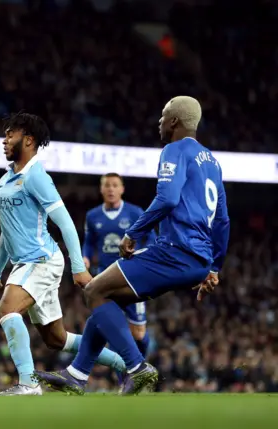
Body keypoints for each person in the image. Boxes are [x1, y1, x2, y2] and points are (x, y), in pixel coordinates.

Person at [34, 96, 230, 395]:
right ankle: (77, 374)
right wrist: (214, 268)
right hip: (199, 260)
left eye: (163, 116)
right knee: (106, 297)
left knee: (95, 291)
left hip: (175, 251)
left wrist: (133, 233)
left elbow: (167, 199)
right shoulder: (212, 162)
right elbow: (223, 221)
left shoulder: (174, 149)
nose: (160, 122)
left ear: (175, 121)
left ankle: (137, 367)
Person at [0, 113, 126, 396]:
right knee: (56, 339)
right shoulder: (5, 180)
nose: (4, 140)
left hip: (41, 260)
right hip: (25, 263)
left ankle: (28, 383)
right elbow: (7, 229)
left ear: (28, 140)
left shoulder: (37, 177)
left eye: (10, 134)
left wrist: (78, 266)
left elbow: (65, 223)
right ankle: (124, 362)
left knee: (7, 310)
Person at [83, 173, 156, 358]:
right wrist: (85, 257)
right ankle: (123, 378)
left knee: (138, 334)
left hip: (131, 279)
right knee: (112, 331)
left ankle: (143, 364)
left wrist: (144, 257)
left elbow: (151, 237)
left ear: (122, 189)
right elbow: (89, 242)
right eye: (107, 185)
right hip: (105, 279)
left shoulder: (135, 212)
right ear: (101, 189)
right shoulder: (92, 216)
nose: (111, 189)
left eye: (115, 185)